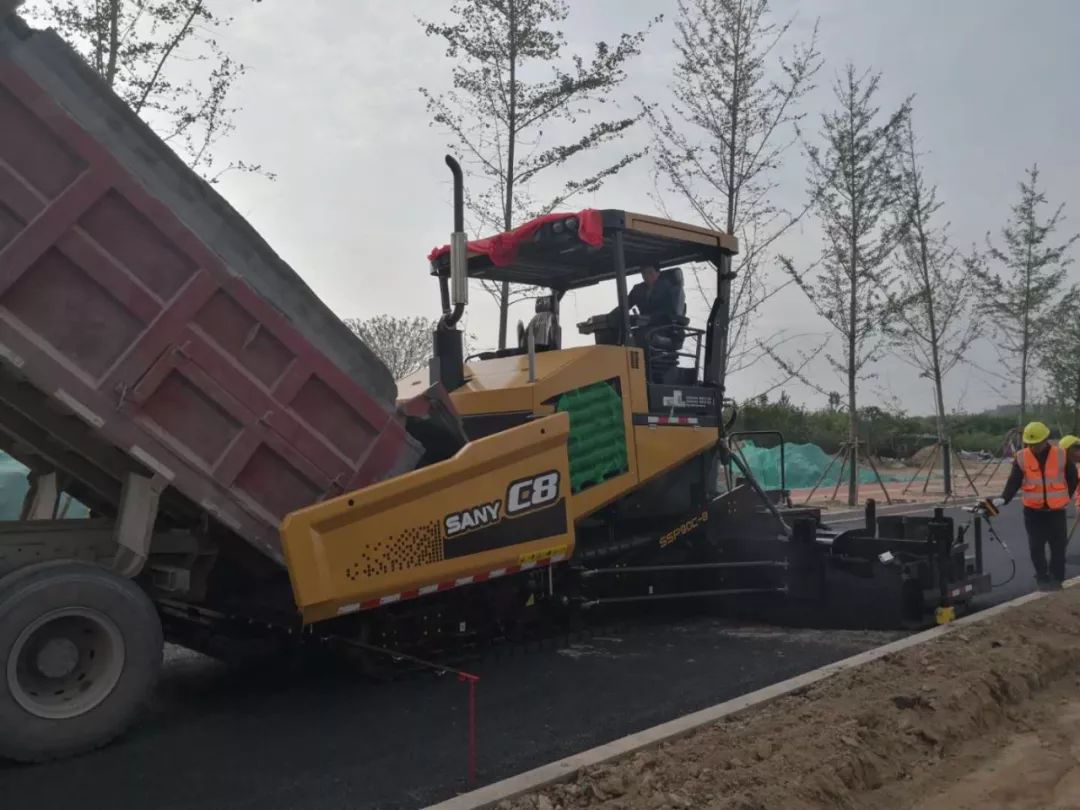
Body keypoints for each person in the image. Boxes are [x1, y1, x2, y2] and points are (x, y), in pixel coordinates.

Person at [995, 421, 1077, 590]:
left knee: (1058, 547)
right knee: (1036, 547)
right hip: (1033, 512)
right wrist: (1004, 498)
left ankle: (1057, 578)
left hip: (1055, 511)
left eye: (1036, 443)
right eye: (1030, 444)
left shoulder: (1061, 454)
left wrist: (1065, 497)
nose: (1033, 447)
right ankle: (1042, 577)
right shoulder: (1021, 457)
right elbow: (1014, 480)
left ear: (1046, 439)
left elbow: (1072, 477)